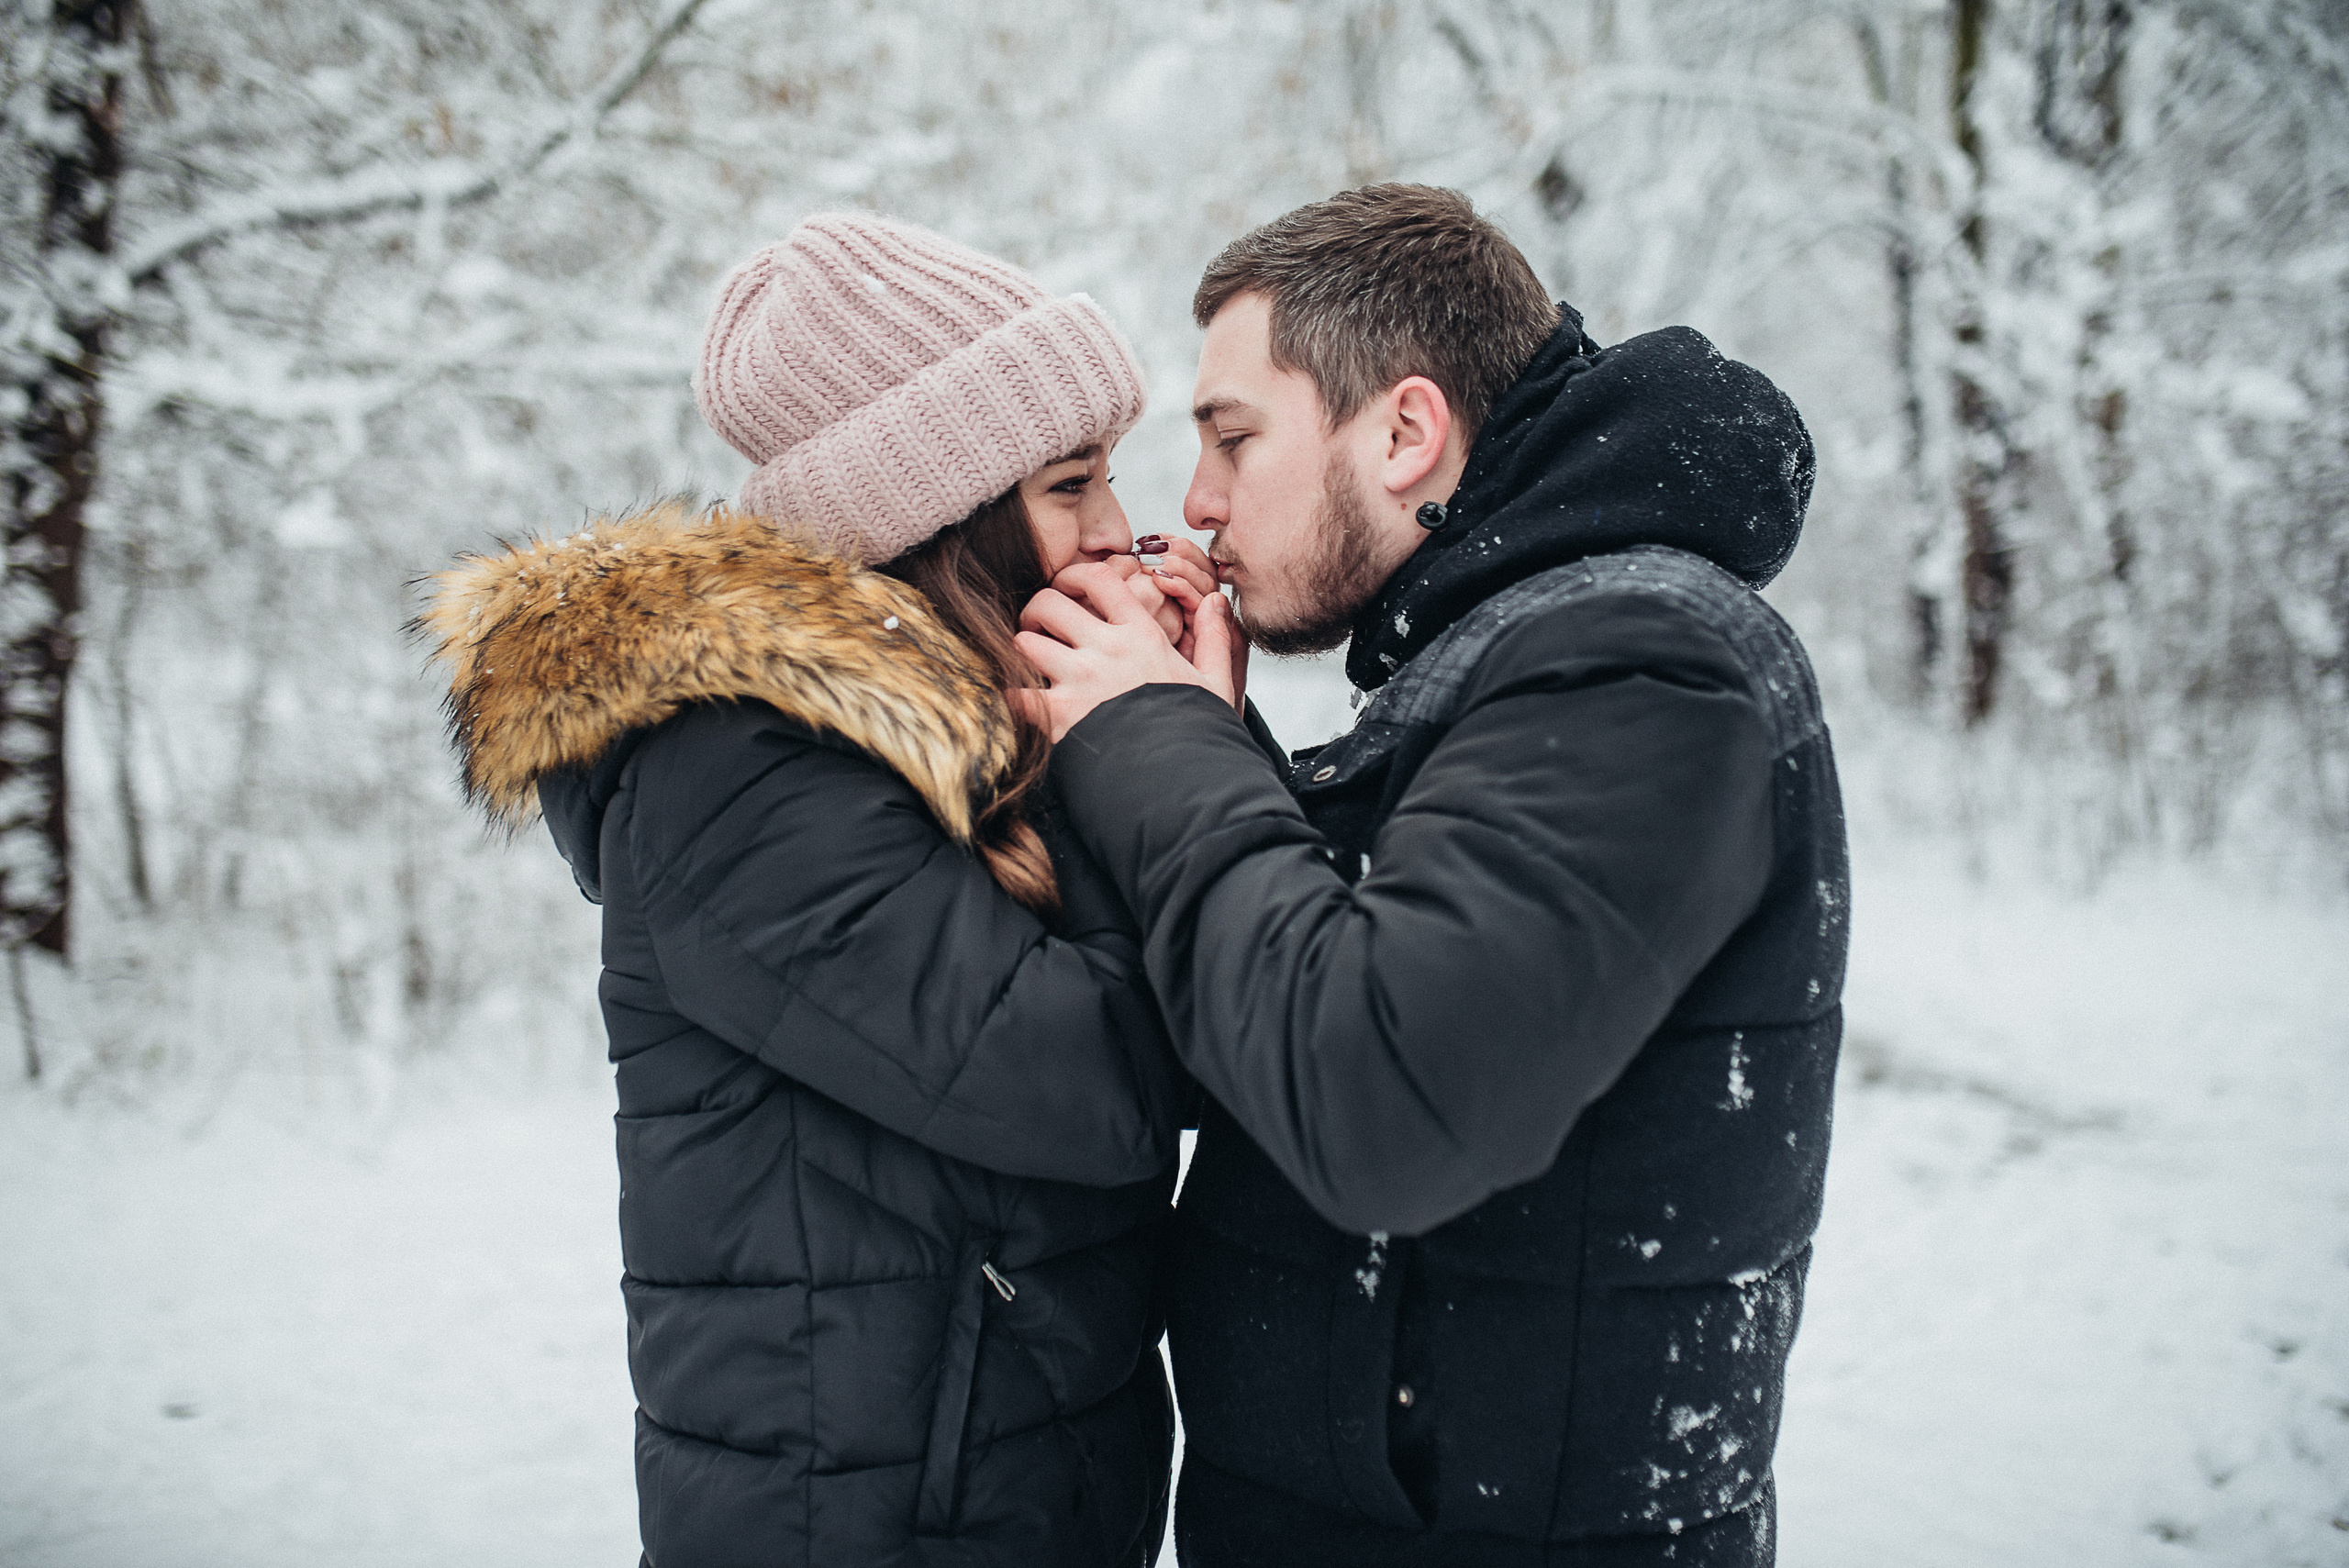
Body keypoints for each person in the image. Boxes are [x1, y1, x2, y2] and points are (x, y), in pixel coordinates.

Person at [1017, 184, 1848, 1566]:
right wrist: (1227, 749)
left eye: (1232, 438)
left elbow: (1386, 1089)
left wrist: (1151, 739)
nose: (1196, 502)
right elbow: (1352, 966)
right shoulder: (1505, 652)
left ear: (1406, 431)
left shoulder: (1643, 657)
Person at [421, 213, 1218, 1567]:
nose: (1119, 531)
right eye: (1073, 482)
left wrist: (1155, 736)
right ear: (941, 516)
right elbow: (1117, 1078)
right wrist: (1166, 743)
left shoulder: (961, 746)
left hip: (1001, 1496)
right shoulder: (741, 777)